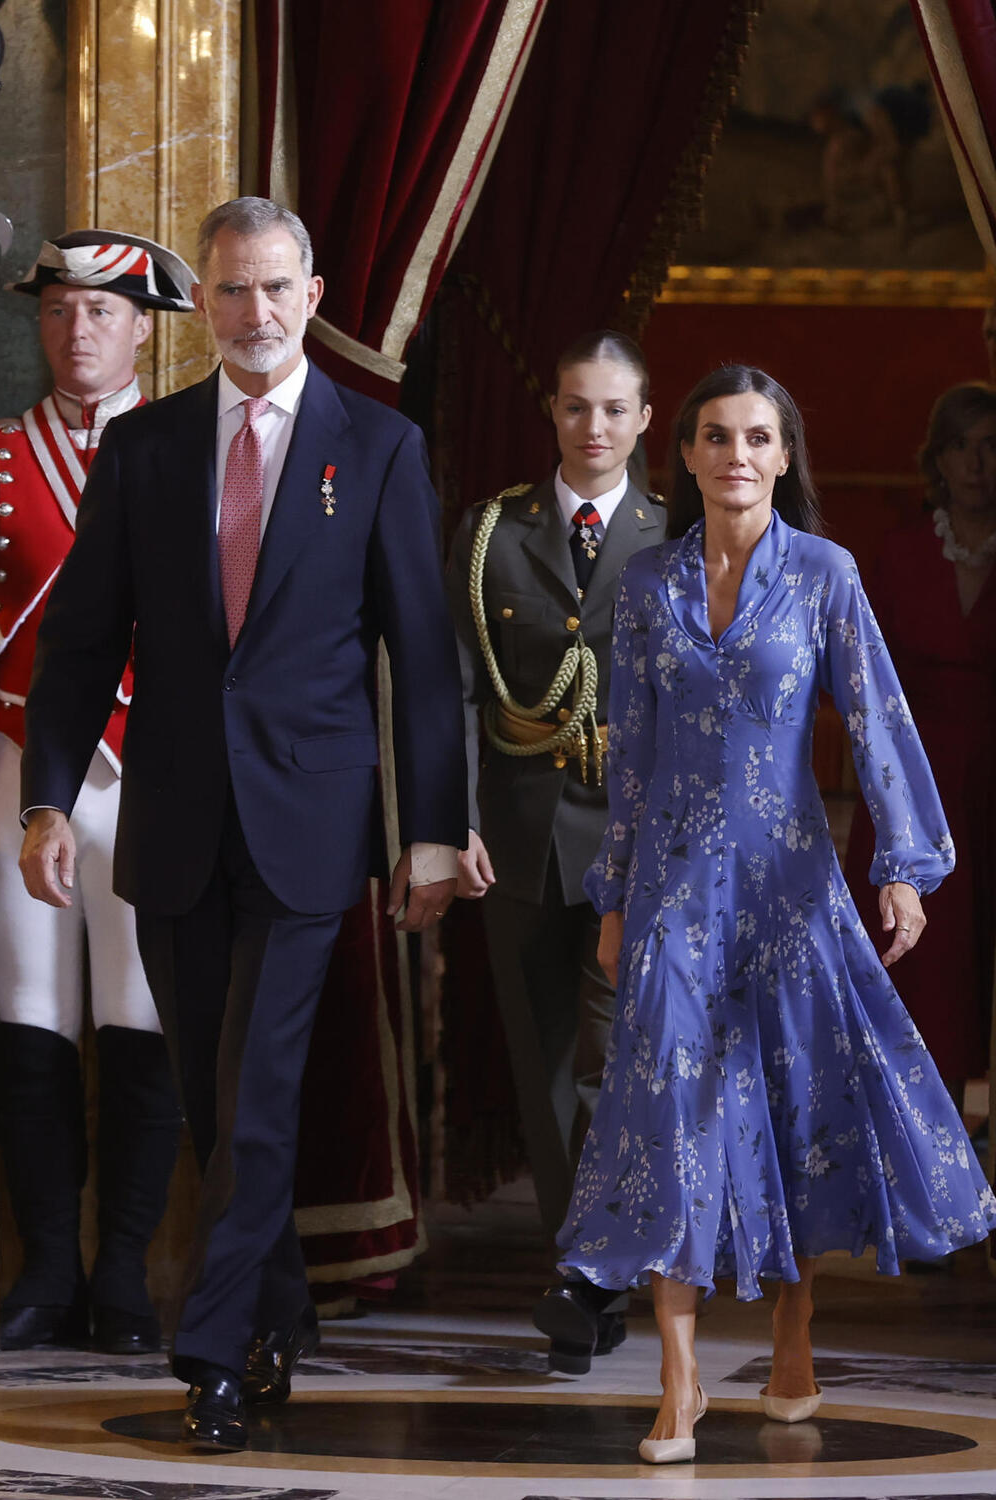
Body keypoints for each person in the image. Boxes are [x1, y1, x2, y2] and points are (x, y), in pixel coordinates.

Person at [18, 197, 467, 1451]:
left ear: (312, 297)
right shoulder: (148, 449)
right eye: (230, 291)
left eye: (275, 289)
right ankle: (275, 1312)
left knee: (260, 1087)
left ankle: (210, 1351)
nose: (254, 314)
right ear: (201, 305)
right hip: (167, 822)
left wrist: (433, 826)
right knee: (218, 1105)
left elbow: (421, 658)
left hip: (307, 828)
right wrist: (48, 797)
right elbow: (79, 646)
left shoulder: (376, 446)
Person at [549, 364, 996, 1465]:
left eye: (757, 437)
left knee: (794, 1117)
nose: (735, 454)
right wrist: (614, 897)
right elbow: (634, 762)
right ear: (687, 455)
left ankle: (793, 1331)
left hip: (792, 891)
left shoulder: (827, 574)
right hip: (671, 897)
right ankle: (680, 1380)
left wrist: (902, 864)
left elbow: (881, 720)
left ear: (785, 456)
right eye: (714, 436)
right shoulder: (647, 586)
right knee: (667, 1128)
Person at [447, 331, 666, 1369]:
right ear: (553, 412)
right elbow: (454, 686)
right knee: (543, 1066)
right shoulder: (493, 531)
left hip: (638, 841)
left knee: (618, 1055)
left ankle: (599, 1268)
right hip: (521, 833)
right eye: (577, 407)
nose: (594, 428)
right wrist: (452, 825)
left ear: (643, 420)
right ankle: (577, 1267)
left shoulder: (679, 537)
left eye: (614, 410)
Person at [0, 231, 195, 1353]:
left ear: (142, 330)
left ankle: (122, 1271)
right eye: (62, 311)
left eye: (104, 314)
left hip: (153, 760)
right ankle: (42, 1277)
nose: (81, 331)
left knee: (138, 1013)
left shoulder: (186, 449)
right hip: (17, 762)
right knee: (28, 1015)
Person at [844, 383, 996, 1110]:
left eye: (992, 445)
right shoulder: (899, 551)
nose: (978, 463)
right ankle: (906, 1147)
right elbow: (861, 685)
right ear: (938, 459)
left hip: (992, 787)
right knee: (913, 976)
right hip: (911, 788)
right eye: (961, 446)